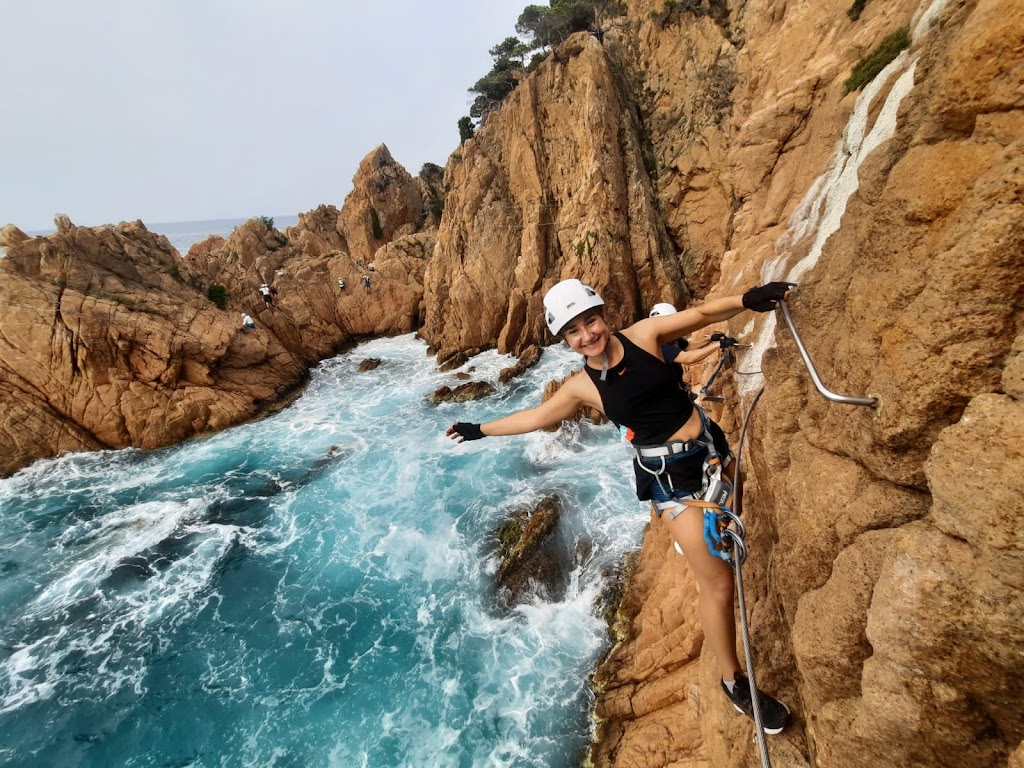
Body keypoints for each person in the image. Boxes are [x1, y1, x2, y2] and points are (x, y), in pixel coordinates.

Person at [447, 278, 794, 733]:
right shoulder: (582, 387)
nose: (586, 335)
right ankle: (733, 683)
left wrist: (747, 300)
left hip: (711, 450)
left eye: (590, 321)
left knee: (734, 514)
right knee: (719, 584)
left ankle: (696, 542)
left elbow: (701, 314)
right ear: (565, 340)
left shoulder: (644, 335)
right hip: (670, 482)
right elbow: (535, 417)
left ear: (603, 315)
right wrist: (479, 429)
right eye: (573, 331)